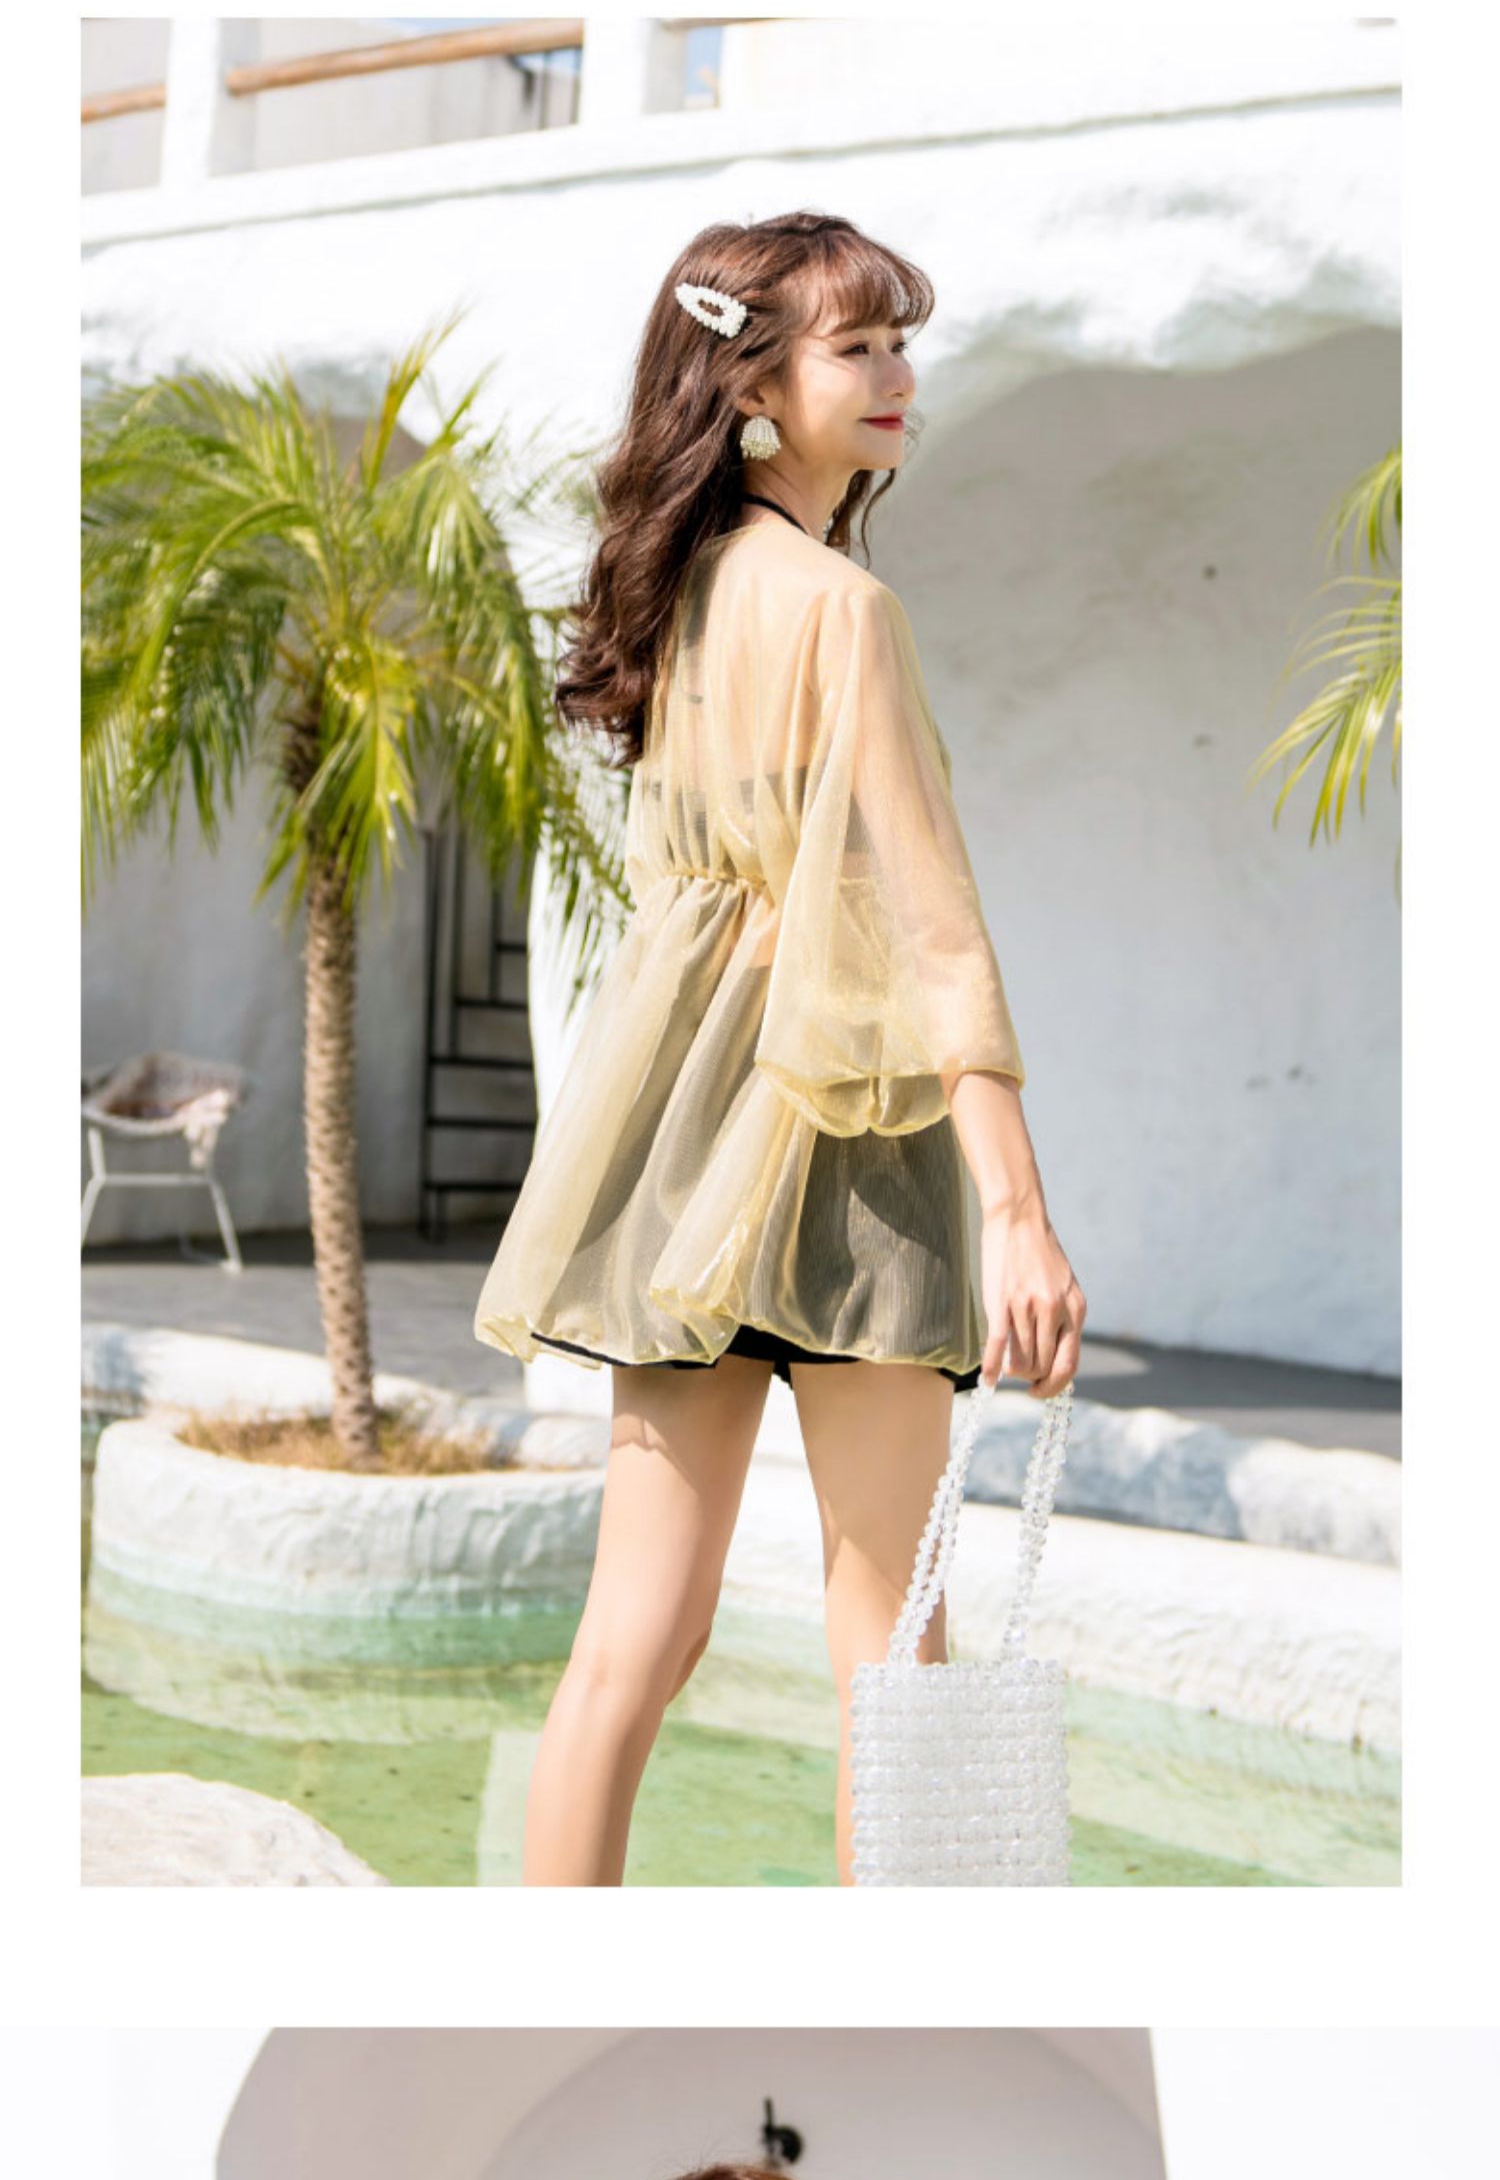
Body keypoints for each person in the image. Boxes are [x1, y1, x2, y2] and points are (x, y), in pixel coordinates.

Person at [473, 209, 1087, 1886]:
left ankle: (542, 1990)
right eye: (857, 346)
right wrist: (1019, 1213)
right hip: (850, 1134)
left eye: (902, 342)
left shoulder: (672, 601)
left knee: (632, 1639)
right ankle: (890, 2011)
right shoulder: (841, 610)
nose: (898, 377)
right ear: (752, 386)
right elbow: (932, 927)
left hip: (681, 1139)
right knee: (894, 1644)